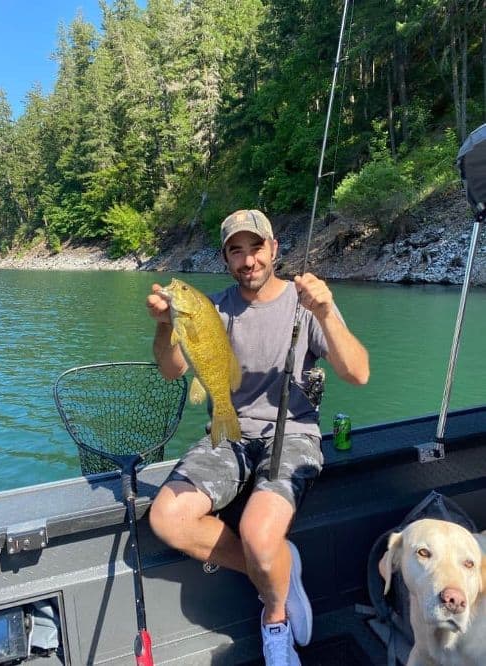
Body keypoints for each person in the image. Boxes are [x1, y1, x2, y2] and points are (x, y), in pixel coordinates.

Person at [146, 209, 369, 665]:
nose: (248, 260)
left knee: (256, 533)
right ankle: (278, 567)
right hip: (228, 433)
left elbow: (359, 373)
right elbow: (171, 371)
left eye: (255, 248)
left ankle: (275, 613)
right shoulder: (209, 308)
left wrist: (326, 312)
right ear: (226, 258)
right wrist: (167, 324)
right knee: (168, 518)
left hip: (293, 435)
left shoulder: (305, 304)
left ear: (274, 250)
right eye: (236, 251)